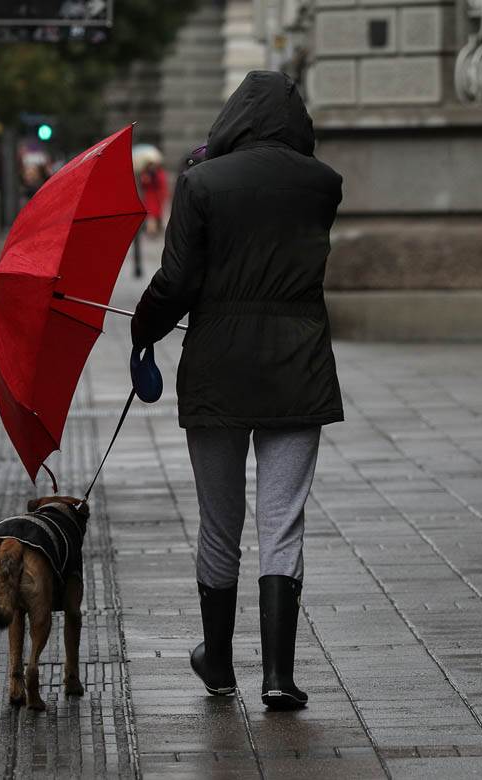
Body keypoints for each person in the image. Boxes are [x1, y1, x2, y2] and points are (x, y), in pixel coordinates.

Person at [131, 71, 344, 710]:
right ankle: (279, 676)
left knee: (220, 522)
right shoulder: (323, 184)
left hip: (220, 367)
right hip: (296, 365)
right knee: (283, 521)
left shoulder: (201, 184)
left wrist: (143, 330)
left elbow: (177, 281)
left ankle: (218, 662)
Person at [138, 159, 168, 237]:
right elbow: (143, 185)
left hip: (155, 196)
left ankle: (154, 229)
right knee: (152, 214)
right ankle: (152, 230)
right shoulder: (147, 174)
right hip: (150, 196)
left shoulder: (156, 173)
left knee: (155, 213)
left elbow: (160, 184)